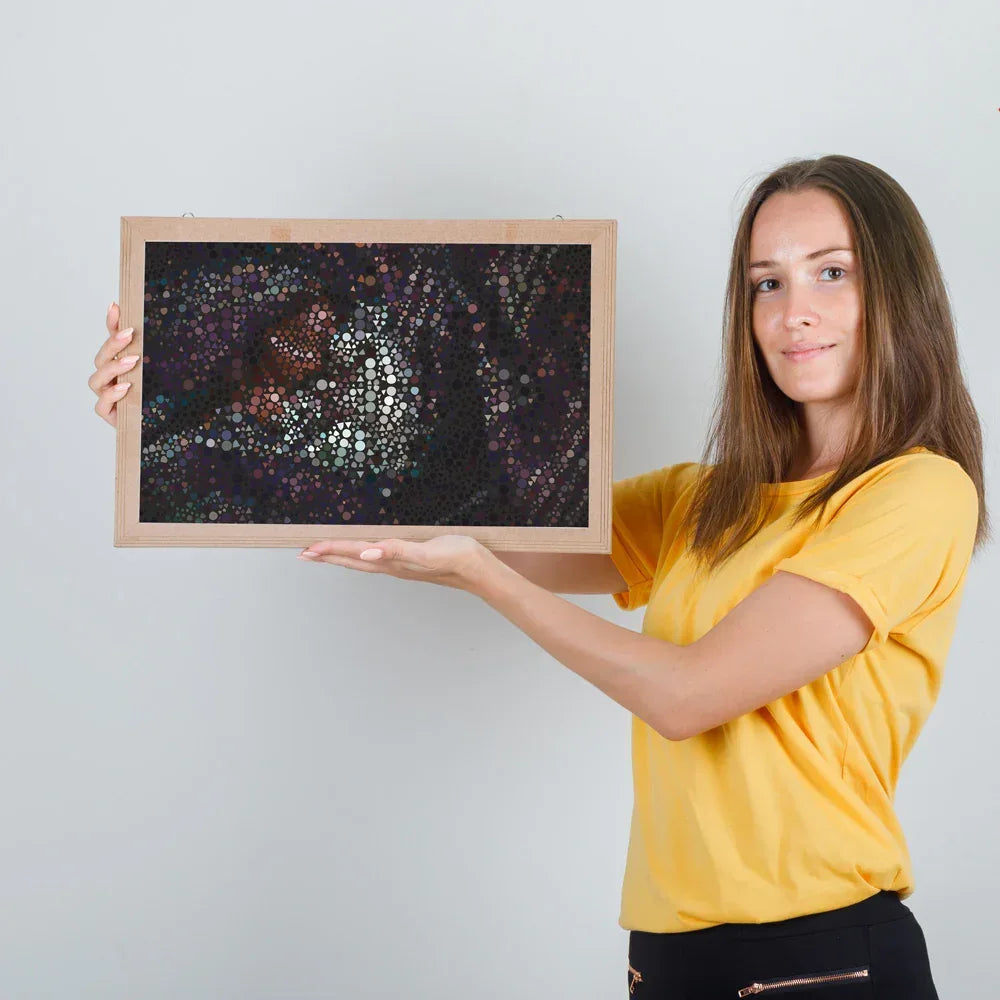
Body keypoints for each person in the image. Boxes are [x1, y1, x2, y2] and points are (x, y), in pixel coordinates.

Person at [89, 154, 989, 999]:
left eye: (833, 272)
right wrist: (167, 408)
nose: (795, 310)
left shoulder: (918, 493)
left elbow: (689, 695)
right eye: (767, 282)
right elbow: (468, 521)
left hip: (821, 962)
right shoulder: (707, 501)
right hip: (668, 957)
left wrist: (486, 578)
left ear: (898, 293)